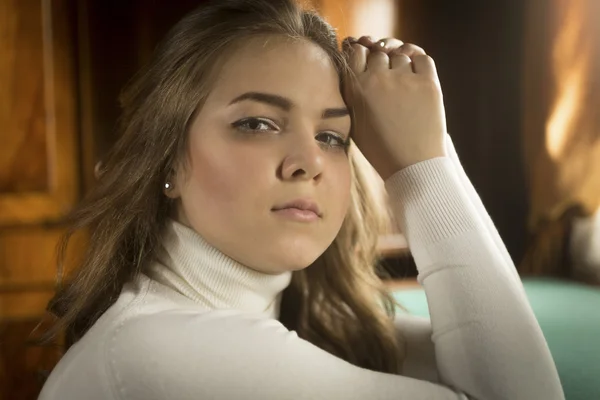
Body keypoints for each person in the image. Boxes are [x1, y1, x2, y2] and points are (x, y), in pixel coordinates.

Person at [38, 0, 565, 399]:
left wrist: (429, 154)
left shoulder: (310, 320)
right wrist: (421, 169)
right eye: (258, 123)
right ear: (168, 162)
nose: (307, 162)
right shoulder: (157, 349)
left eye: (331, 137)